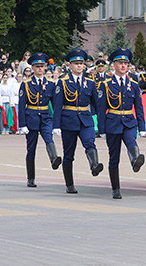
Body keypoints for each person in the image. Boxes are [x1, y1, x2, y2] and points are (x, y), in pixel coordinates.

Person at [95, 48, 146, 199]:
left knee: (131, 141)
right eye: (120, 63)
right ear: (114, 65)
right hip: (113, 123)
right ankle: (115, 188)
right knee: (114, 157)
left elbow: (139, 107)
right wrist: (101, 129)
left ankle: (135, 160)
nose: (123, 66)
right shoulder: (105, 85)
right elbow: (101, 109)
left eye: (126, 63)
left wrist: (142, 127)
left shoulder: (134, 84)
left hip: (129, 121)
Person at [53, 49, 103, 194]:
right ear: (70, 66)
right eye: (76, 63)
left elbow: (97, 105)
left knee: (90, 143)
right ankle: (69, 184)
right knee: (69, 153)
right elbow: (57, 105)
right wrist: (56, 125)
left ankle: (94, 165)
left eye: (81, 63)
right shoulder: (63, 82)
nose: (79, 66)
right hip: (68, 120)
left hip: (86, 119)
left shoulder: (90, 83)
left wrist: (102, 124)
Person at [18, 52, 62, 187]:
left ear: (45, 67)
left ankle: (54, 159)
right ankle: (30, 178)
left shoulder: (51, 84)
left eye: (42, 66)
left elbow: (56, 105)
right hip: (31, 117)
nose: (40, 69)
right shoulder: (26, 84)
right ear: (32, 68)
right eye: (37, 66)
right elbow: (21, 105)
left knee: (49, 138)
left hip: (45, 116)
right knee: (31, 149)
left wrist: (57, 124)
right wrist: (22, 124)